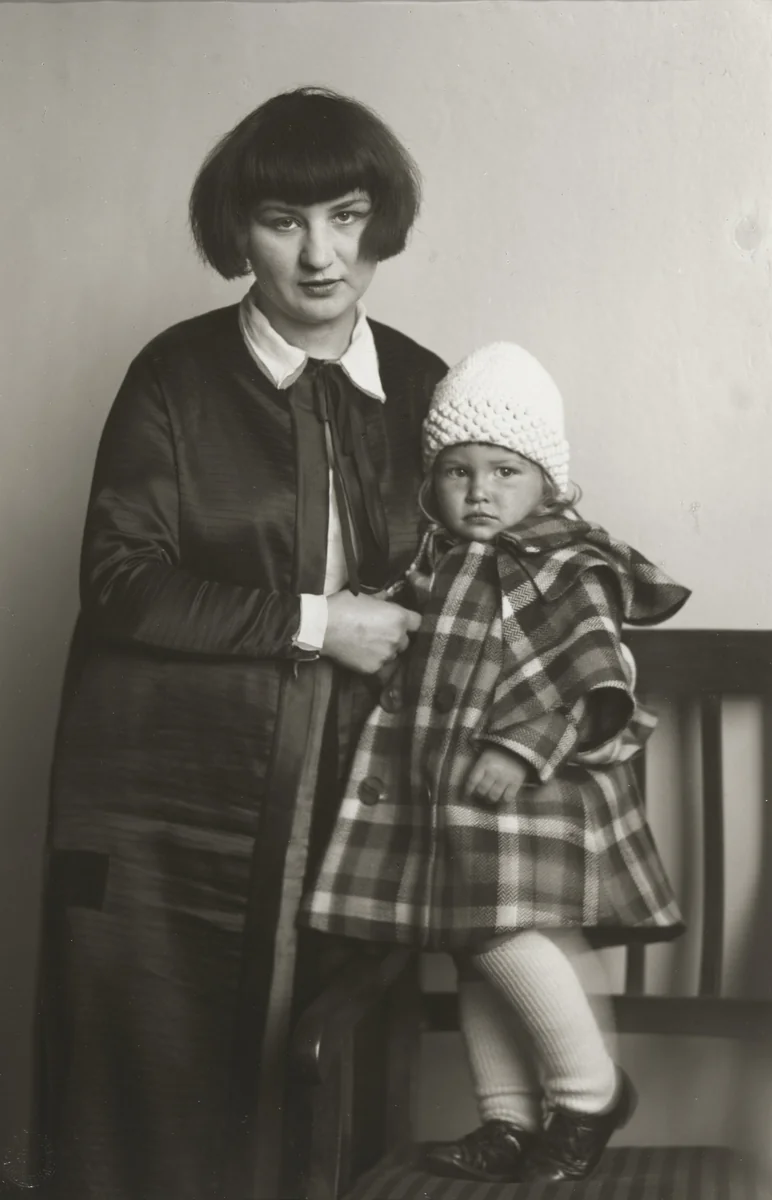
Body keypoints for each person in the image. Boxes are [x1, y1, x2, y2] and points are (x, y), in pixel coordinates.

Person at [36, 87, 446, 1200]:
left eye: (346, 217)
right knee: (159, 1097)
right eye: (283, 221)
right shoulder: (173, 376)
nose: (320, 256)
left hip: (356, 788)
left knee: (328, 1089)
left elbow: (477, 569)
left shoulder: (423, 385)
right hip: (172, 798)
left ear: (380, 220)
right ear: (239, 231)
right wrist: (319, 623)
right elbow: (120, 584)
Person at [301, 341, 690, 1183]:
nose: (479, 491)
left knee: (498, 936)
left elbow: (599, 683)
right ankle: (507, 1120)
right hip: (452, 801)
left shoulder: (567, 565)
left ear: (547, 480)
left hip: (529, 794)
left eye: (505, 471)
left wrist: (522, 749)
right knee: (469, 944)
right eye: (458, 471)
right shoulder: (440, 559)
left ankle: (589, 1095)